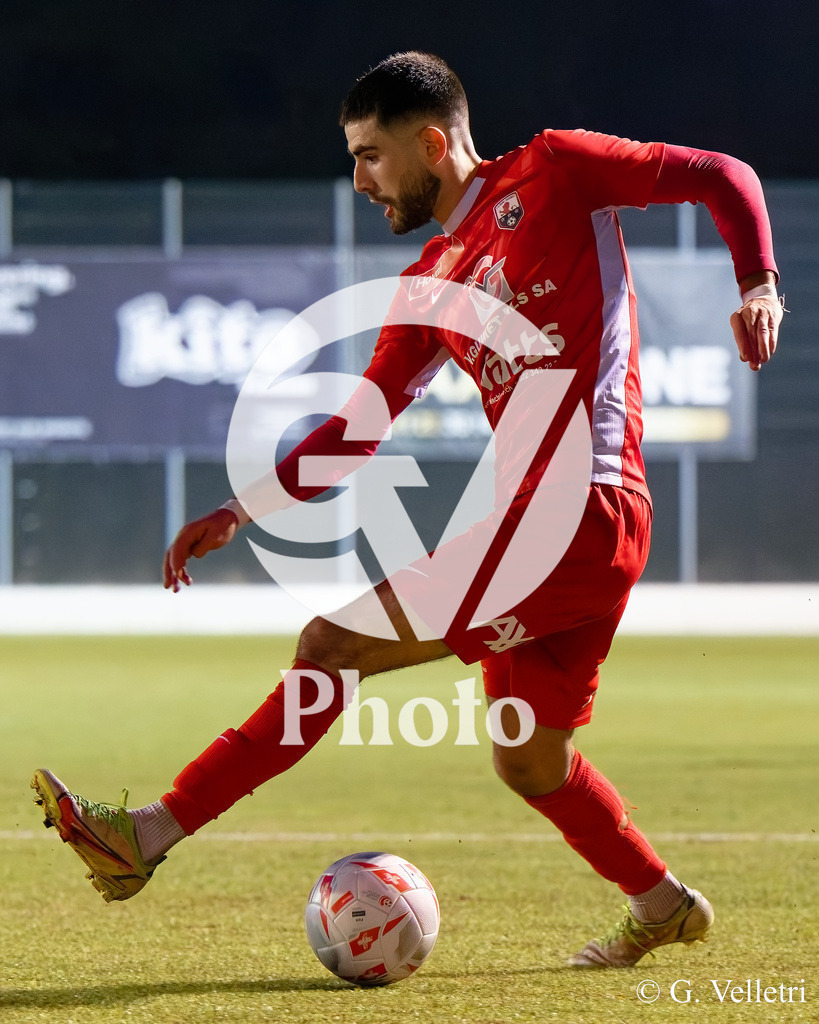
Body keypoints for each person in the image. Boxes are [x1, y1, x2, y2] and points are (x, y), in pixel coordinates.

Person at [32, 51, 783, 969]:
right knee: (528, 761)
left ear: (432, 142)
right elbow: (357, 427)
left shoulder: (555, 169)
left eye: (370, 155)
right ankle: (662, 902)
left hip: (579, 514)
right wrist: (242, 507)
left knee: (329, 645)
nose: (359, 180)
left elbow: (720, 174)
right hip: (556, 533)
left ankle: (144, 834)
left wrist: (758, 283)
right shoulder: (432, 280)